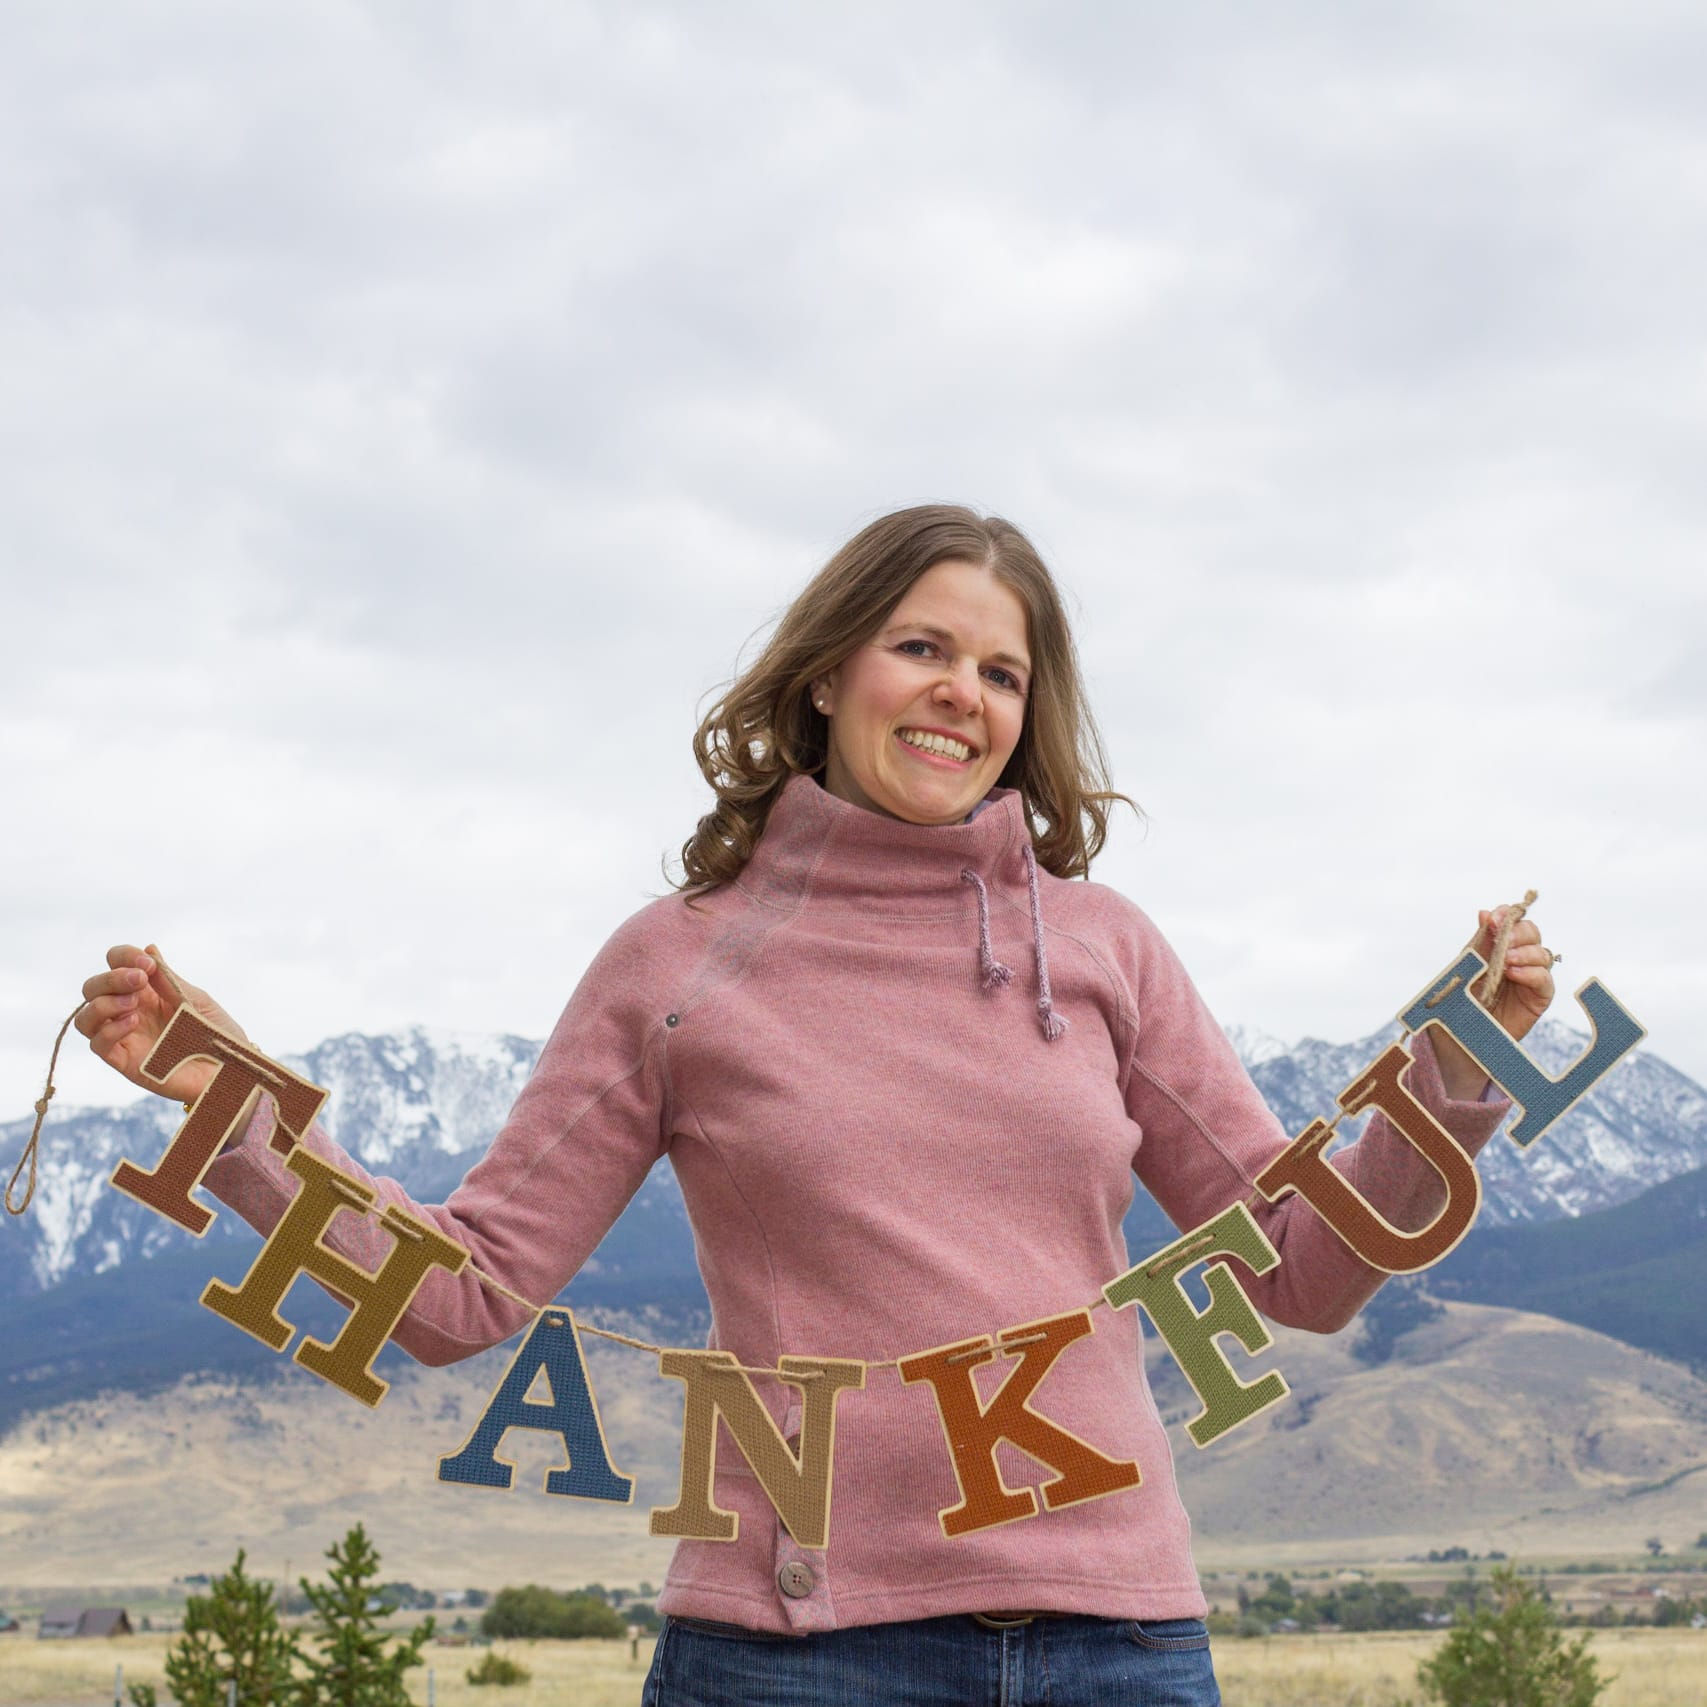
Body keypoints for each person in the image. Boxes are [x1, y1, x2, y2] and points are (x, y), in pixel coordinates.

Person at [78, 504, 1555, 1706]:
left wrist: (1458, 1062)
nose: (961, 695)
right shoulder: (678, 964)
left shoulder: (1105, 947)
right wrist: (231, 1100)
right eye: (923, 646)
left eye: (1002, 671)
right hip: (793, 1658)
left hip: (1121, 1642)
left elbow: (1305, 1271)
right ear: (831, 671)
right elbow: (458, 1295)